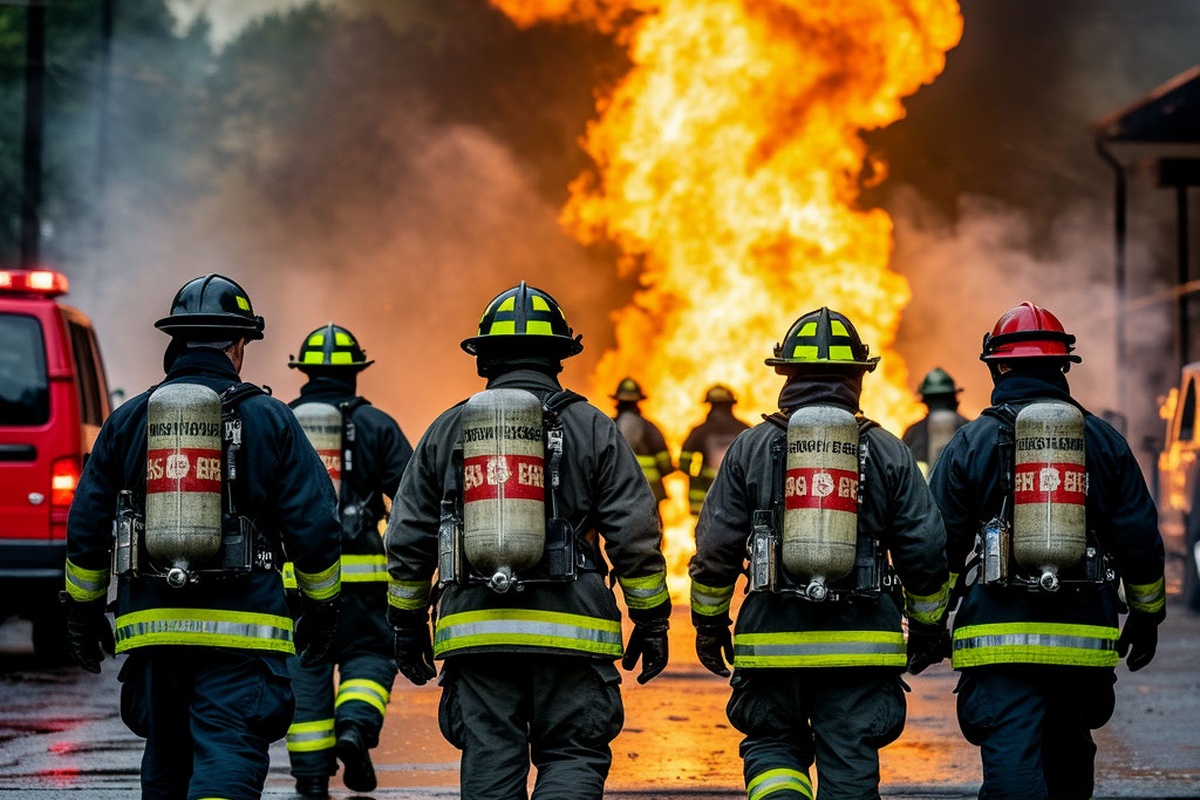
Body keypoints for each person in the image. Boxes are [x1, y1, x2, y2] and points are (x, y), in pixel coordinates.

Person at [385, 281, 671, 800]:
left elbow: (408, 537)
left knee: (491, 756)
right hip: (574, 629)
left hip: (477, 629)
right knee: (572, 754)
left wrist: (406, 624)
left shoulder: (449, 428)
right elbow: (634, 532)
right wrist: (651, 619)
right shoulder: (592, 426)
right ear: (560, 357)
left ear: (483, 358)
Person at [61, 274, 342, 799]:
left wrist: (82, 612)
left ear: (175, 343)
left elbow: (88, 523)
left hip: (153, 630)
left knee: (166, 757)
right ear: (238, 346)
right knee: (229, 749)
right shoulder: (269, 418)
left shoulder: (128, 420)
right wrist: (323, 610)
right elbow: (315, 524)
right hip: (241, 633)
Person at [689, 306, 951, 800]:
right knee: (850, 760)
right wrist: (927, 626)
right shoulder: (888, 449)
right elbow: (925, 547)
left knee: (772, 745)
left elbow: (715, 547)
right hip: (861, 645)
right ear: (858, 376)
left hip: (771, 645)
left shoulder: (751, 446)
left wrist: (709, 622)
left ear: (785, 373)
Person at [928, 302, 1166, 800]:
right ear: (1063, 367)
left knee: (1012, 760)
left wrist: (930, 623)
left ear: (997, 366)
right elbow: (1139, 538)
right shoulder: (1103, 441)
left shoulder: (970, 443)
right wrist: (1146, 617)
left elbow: (940, 546)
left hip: (998, 638)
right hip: (1083, 637)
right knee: (1071, 756)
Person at [283, 323, 414, 798]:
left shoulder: (280, 419)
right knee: (371, 655)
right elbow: (410, 498)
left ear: (305, 372)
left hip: (295, 581)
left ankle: (312, 776)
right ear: (356, 372)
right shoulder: (377, 425)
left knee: (306, 666)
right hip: (364, 583)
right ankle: (355, 728)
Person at [679, 384, 751, 516]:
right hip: (738, 496)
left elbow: (684, 463)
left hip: (705, 497)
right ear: (731, 404)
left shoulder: (700, 431)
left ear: (709, 405)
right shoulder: (745, 430)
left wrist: (696, 476)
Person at [611, 376, 676, 508]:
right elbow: (666, 464)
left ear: (617, 402)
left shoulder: (608, 427)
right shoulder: (650, 428)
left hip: (618, 491)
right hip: (649, 490)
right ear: (638, 402)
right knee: (652, 527)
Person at [901, 367, 971, 477]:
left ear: (925, 400)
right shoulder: (971, 429)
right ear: (953, 398)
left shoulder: (912, 433)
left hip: (921, 493)